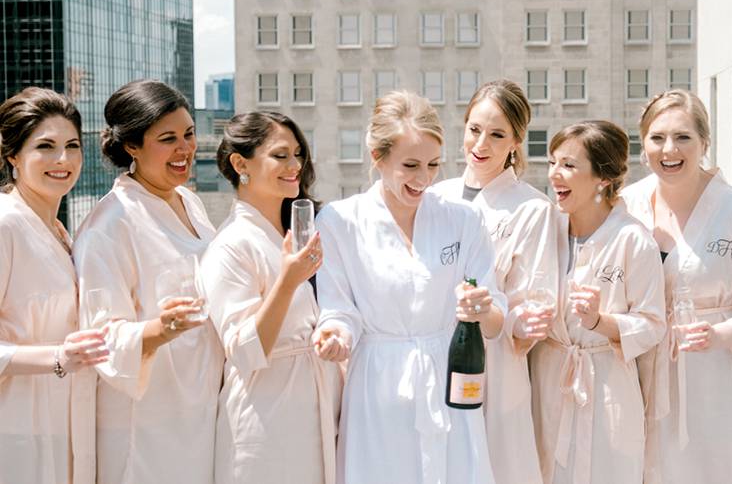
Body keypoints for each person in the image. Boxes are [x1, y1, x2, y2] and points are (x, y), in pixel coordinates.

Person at [313, 90, 506, 484]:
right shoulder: (340, 221)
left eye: (433, 164)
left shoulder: (463, 220)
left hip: (447, 381)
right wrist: (335, 335)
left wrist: (482, 309)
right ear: (377, 158)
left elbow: (496, 319)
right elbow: (338, 309)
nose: (424, 179)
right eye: (410, 165)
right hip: (377, 385)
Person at [621, 90, 732, 484]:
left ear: (704, 143)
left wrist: (721, 333)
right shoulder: (626, 207)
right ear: (643, 143)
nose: (669, 149)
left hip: (720, 382)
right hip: (644, 377)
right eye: (657, 137)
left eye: (683, 137)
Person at [71, 80, 224, 484]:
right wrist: (161, 329)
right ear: (132, 147)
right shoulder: (108, 227)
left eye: (189, 134)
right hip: (147, 424)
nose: (185, 149)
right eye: (168, 139)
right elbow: (101, 338)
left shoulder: (188, 199)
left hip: (200, 406)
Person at [201, 111, 342, 484]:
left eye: (297, 154)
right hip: (265, 419)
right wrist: (288, 280)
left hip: (317, 408)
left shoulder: (302, 230)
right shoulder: (229, 246)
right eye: (280, 155)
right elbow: (245, 350)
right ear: (240, 163)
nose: (294, 165)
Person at [432, 79, 557, 484]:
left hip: (497, 362)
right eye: (474, 129)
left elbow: (532, 301)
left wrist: (507, 317)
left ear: (516, 141)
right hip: (434, 355)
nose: (481, 144)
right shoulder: (437, 197)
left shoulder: (532, 208)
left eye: (497, 134)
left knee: (496, 465)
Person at [530, 120, 666, 484]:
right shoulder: (546, 227)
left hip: (606, 384)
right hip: (549, 376)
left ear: (603, 177)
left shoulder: (633, 239)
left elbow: (653, 324)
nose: (555, 174)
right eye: (553, 162)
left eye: (569, 165)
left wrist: (599, 321)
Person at [0, 87, 109, 484]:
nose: (63, 160)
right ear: (13, 155)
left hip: (65, 426)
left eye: (72, 145)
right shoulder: (6, 225)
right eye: (45, 146)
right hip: (16, 433)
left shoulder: (61, 231)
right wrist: (60, 357)